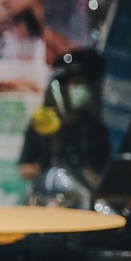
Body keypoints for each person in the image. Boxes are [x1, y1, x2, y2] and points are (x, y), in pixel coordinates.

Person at [18, 49, 112, 188]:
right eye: (77, 82)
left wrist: (80, 172)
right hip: (46, 194)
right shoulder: (42, 124)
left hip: (81, 197)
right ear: (61, 88)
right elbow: (23, 169)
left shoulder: (96, 129)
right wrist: (46, 167)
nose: (81, 88)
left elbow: (101, 174)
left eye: (85, 84)